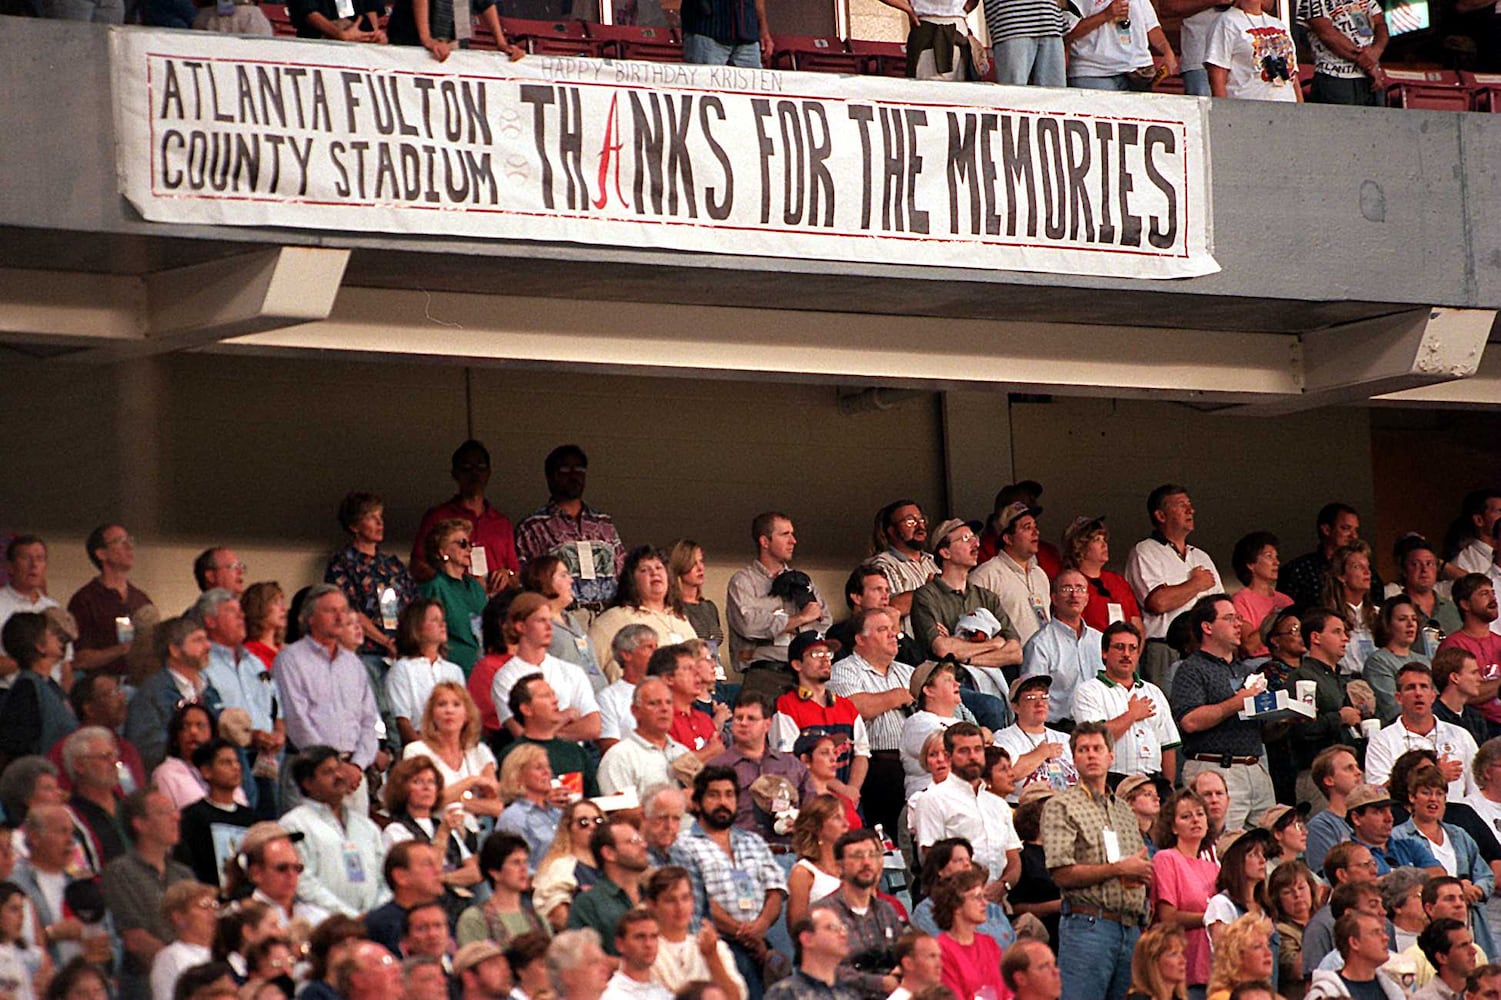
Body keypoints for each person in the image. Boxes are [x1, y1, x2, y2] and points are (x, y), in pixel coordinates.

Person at [1042, 720, 1151, 1000]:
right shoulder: (1061, 805)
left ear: (1110, 756)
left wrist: (1142, 873)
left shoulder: (1125, 810)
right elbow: (1061, 873)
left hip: (1130, 925)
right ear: (1074, 758)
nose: (1091, 755)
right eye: (1083, 750)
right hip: (1088, 924)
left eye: (1097, 748)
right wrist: (1119, 869)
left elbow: (1137, 863)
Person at [669, 767, 788, 1000]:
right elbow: (695, 899)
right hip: (716, 943)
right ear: (697, 802)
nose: (723, 802)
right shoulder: (683, 846)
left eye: (729, 795)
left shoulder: (753, 841)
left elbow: (776, 889)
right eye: (714, 795)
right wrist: (743, 933)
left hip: (761, 941)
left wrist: (761, 926)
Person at [273, 586, 382, 814]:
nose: (340, 617)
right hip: (311, 772)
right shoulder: (291, 659)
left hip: (353, 776)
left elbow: (368, 721)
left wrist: (356, 765)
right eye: (331, 610)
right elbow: (297, 721)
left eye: (343, 610)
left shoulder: (353, 663)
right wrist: (333, 766)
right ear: (310, 617)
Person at [1172, 595, 1276, 832]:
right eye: (1229, 618)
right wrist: (1238, 702)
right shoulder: (1191, 669)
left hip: (1256, 767)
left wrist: (1285, 719)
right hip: (1215, 770)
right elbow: (1190, 721)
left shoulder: (1246, 670)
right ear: (1207, 627)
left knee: (1267, 848)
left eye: (1238, 618)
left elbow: (1261, 730)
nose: (1239, 624)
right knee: (1223, 847)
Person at [910, 518, 1022, 702]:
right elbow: (942, 649)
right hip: (948, 685)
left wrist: (964, 656)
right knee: (992, 706)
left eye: (975, 537)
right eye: (965, 538)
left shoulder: (987, 596)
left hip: (991, 679)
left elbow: (1015, 653)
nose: (975, 543)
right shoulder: (926, 595)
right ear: (945, 552)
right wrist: (994, 644)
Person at [726, 513, 831, 700]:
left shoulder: (802, 581)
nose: (793, 541)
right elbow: (748, 625)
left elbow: (824, 623)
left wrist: (780, 625)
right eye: (785, 534)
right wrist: (801, 619)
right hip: (763, 676)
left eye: (792, 534)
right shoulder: (743, 581)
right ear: (765, 541)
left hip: (802, 676)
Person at [1393, 765, 1495, 956]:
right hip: (1424, 929)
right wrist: (1456, 888)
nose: (1434, 799)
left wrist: (1477, 890)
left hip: (1468, 924)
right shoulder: (1399, 837)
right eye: (1426, 793)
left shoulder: (1458, 834)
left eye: (1439, 794)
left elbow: (1486, 875)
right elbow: (1405, 886)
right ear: (1412, 797)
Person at [826, 607, 910, 837]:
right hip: (877, 765)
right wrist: (895, 697)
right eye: (883, 629)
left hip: (918, 763)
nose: (893, 634)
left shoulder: (909, 672)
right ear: (860, 639)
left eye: (893, 629)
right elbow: (852, 708)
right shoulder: (843, 671)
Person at [102, 789, 194, 997]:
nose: (176, 817)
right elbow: (134, 938)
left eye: (175, 811)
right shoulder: (121, 872)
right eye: (164, 812)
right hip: (145, 982)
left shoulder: (183, 874)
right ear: (140, 824)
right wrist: (180, 965)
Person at [515, 444, 627, 612]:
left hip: (607, 615)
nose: (574, 476)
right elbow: (528, 582)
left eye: (579, 470)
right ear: (550, 477)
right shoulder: (533, 527)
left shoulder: (603, 523)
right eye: (565, 470)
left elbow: (623, 571)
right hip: (563, 617)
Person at [279, 746, 389, 916]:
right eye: (328, 772)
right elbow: (302, 882)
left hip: (371, 924)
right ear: (307, 783)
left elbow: (384, 877)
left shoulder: (366, 826)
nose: (339, 776)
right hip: (321, 922)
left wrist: (375, 916)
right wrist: (349, 915)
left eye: (339, 768)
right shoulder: (294, 824)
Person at [1124, 486, 1221, 672]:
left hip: (1205, 649)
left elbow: (1219, 606)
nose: (1190, 510)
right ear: (1161, 516)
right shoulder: (1145, 550)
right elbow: (1158, 602)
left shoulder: (1201, 557)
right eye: (1181, 505)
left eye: (1190, 505)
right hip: (1165, 649)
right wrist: (1196, 584)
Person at [913, 723, 1022, 887]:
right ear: (949, 757)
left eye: (978, 749)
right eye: (964, 751)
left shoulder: (998, 804)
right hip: (954, 899)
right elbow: (933, 859)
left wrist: (1003, 887)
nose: (973, 756)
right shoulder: (932, 799)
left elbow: (1013, 859)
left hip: (999, 899)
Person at [1073, 620, 1180, 782]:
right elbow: (1095, 738)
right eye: (1119, 647)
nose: (1126, 654)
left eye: (1132, 648)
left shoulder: (1154, 692)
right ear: (1104, 653)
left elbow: (1168, 746)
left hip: (1152, 781)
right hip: (1110, 780)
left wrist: (1169, 788)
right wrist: (1132, 714)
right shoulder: (1088, 691)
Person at [410, 440, 521, 592]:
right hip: (456, 602)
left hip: (496, 604)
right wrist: (454, 580)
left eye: (480, 467)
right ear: (455, 474)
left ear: (489, 473)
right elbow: (418, 565)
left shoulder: (502, 522)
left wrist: (507, 574)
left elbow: (516, 573)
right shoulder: (438, 516)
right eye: (466, 468)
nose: (474, 474)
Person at [490, 593, 602, 742]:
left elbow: (593, 727)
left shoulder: (571, 671)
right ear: (521, 626)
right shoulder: (505, 677)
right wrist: (565, 716)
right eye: (541, 620)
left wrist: (544, 732)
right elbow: (521, 734)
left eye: (550, 620)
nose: (549, 627)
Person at [710, 691, 814, 850]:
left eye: (751, 718)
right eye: (738, 718)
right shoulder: (717, 767)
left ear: (767, 724)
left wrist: (801, 822)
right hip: (739, 854)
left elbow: (814, 807)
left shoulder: (791, 765)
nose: (743, 723)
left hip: (788, 853)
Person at [808, 828, 902, 1000]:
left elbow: (906, 951)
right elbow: (825, 970)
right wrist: (881, 983)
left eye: (872, 855)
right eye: (857, 856)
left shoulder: (887, 910)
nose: (867, 862)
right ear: (839, 867)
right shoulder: (822, 913)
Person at [324, 491, 416, 666]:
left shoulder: (392, 564)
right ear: (354, 526)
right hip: (366, 653)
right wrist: (386, 642)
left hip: (402, 652)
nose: (380, 523)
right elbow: (350, 611)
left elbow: (413, 604)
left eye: (380, 517)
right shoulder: (343, 563)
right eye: (371, 517)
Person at [380, 757, 482, 911]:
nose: (427, 787)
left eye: (431, 782)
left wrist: (442, 878)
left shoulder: (441, 824)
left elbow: (474, 873)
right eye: (418, 782)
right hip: (421, 908)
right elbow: (422, 873)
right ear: (403, 789)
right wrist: (442, 834)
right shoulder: (396, 831)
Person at [126, 616, 224, 775]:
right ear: (175, 650)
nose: (208, 646)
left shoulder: (208, 690)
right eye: (198, 640)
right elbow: (149, 750)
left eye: (206, 639)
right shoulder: (151, 693)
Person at [771, 634, 868, 794]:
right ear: (797, 665)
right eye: (816, 654)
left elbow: (862, 753)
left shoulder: (846, 706)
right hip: (810, 801)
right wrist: (841, 789)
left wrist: (852, 791)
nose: (825, 660)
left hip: (849, 800)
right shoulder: (786, 705)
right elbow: (789, 761)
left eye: (828, 654)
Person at [1367, 663, 1478, 800]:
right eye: (1410, 688)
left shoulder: (1461, 736)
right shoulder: (1382, 740)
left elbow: (1477, 790)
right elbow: (1377, 793)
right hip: (1405, 816)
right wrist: (1434, 775)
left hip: (1457, 815)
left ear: (1433, 696)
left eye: (1424, 687)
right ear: (1398, 698)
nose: (1418, 693)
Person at [591, 547, 697, 684]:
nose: (654, 573)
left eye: (659, 568)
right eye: (644, 570)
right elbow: (588, 667)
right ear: (632, 580)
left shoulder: (680, 618)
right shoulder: (614, 618)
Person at [406, 681, 504, 827]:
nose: (449, 711)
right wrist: (471, 781)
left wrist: (453, 800)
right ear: (432, 714)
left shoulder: (479, 752)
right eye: (441, 705)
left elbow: (497, 807)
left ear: (467, 715)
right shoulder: (417, 751)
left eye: (456, 704)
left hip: (477, 832)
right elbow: (426, 799)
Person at [1151, 789, 1218, 998]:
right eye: (1186, 816)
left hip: (1213, 972)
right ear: (1173, 827)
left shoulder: (1214, 868)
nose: (1195, 820)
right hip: (1182, 970)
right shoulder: (1166, 859)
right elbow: (1168, 918)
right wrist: (1212, 919)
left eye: (1200, 814)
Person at [644, 865, 747, 1000]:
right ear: (653, 905)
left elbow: (736, 997)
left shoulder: (715, 947)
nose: (680, 907)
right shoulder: (646, 949)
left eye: (685, 898)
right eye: (670, 900)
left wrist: (712, 957)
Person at [66, 523, 155, 678]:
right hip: (101, 686)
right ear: (101, 553)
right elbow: (79, 658)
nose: (129, 546)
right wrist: (122, 649)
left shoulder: (140, 598)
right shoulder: (85, 599)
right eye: (120, 541)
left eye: (129, 540)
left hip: (139, 683)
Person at [1022, 568, 1106, 724]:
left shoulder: (1100, 640)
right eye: (1066, 589)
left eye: (1080, 589)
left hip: (1102, 728)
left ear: (1087, 598)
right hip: (1059, 730)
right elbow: (1032, 699)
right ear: (1054, 598)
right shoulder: (1040, 644)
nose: (1074, 594)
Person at [174, 738, 256, 888]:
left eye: (236, 762)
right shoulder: (192, 817)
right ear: (206, 771)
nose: (236, 767)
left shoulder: (251, 818)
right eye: (226, 762)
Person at [385, 598, 466, 748]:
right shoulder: (403, 669)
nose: (443, 625)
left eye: (442, 620)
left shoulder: (454, 671)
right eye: (434, 620)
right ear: (416, 627)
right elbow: (402, 722)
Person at [971, 500, 1053, 648]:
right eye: (1027, 528)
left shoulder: (1040, 574)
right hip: (1010, 664)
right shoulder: (985, 576)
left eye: (1035, 527)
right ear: (1007, 538)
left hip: (1046, 661)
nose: (1036, 532)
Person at [521, 555, 606, 694]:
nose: (571, 580)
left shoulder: (571, 620)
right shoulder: (536, 626)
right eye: (563, 575)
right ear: (544, 580)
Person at [503, 673, 599, 796]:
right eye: (545, 696)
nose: (555, 700)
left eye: (553, 694)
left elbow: (594, 799)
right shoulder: (513, 755)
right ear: (526, 709)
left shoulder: (576, 752)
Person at [899, 660, 985, 798]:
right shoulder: (918, 723)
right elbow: (949, 748)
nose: (957, 684)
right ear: (928, 690)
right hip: (927, 802)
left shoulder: (960, 723)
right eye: (948, 680)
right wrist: (982, 736)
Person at [598, 677, 693, 801]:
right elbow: (619, 812)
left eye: (669, 702)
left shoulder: (682, 751)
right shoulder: (619, 757)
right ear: (635, 711)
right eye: (654, 703)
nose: (664, 709)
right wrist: (677, 802)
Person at [416, 519, 491, 675]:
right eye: (462, 544)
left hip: (481, 669)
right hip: (449, 670)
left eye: (470, 544)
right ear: (443, 552)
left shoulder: (476, 587)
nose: (469, 549)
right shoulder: (435, 586)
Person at [0, 613, 77, 761]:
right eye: (52, 633)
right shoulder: (27, 690)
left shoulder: (49, 684)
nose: (59, 638)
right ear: (40, 646)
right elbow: (19, 747)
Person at [569, 818, 652, 955]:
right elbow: (583, 959)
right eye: (633, 841)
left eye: (641, 840)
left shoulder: (651, 896)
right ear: (609, 853)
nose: (643, 845)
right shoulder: (589, 904)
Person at [457, 831, 546, 948]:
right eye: (516, 862)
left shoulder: (538, 919)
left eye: (525, 862)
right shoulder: (474, 919)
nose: (524, 869)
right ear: (495, 872)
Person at [993, 675, 1077, 797]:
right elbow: (1008, 774)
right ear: (1015, 706)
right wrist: (1042, 753)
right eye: (1031, 698)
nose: (1040, 703)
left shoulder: (1065, 739)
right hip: (1024, 808)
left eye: (1044, 697)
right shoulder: (1003, 738)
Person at [931, 865, 1006, 1000]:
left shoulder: (989, 943)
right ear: (956, 906)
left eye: (984, 897)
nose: (985, 903)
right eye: (977, 898)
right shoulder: (941, 950)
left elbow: (1006, 990)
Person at [1281, 506, 1375, 613]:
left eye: (1356, 530)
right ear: (1326, 530)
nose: (1354, 536)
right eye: (1345, 528)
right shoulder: (1298, 570)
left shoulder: (1370, 574)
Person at [1204, 0, 1302, 100]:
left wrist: (1301, 109)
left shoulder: (1278, 24)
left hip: (1287, 106)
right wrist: (1223, 111)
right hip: (1246, 106)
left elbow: (1293, 74)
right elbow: (1217, 72)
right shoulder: (1226, 22)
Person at [1064, 516, 1145, 637]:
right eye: (1097, 540)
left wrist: (1133, 653)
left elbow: (1137, 625)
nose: (1104, 545)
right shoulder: (1070, 583)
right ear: (1080, 546)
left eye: (1104, 540)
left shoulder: (1118, 581)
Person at [533, 797, 606, 931]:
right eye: (583, 822)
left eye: (598, 821)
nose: (592, 826)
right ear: (569, 828)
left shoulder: (612, 864)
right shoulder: (560, 866)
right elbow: (559, 917)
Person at [866, 500, 939, 629]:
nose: (919, 526)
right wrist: (929, 591)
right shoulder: (882, 565)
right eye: (910, 521)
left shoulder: (932, 562)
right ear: (892, 531)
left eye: (921, 520)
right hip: (906, 645)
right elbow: (889, 607)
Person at [1299, 0, 1388, 105]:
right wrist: (1369, 64)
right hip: (1335, 79)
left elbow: (1380, 24)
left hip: (1371, 80)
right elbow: (1327, 34)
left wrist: (1376, 51)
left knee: (1376, 120)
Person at [495, 743, 567, 870]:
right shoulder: (513, 817)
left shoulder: (558, 812)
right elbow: (513, 866)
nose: (547, 772)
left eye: (548, 767)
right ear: (518, 775)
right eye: (539, 768)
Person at [765, 908, 860, 1000]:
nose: (843, 934)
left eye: (843, 929)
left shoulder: (849, 994)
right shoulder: (785, 993)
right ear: (807, 939)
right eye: (832, 928)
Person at [1306, 911, 1405, 998]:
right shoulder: (1326, 993)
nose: (1386, 938)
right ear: (1354, 942)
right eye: (1376, 933)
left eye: (1383, 931)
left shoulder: (1393, 991)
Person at [784, 795, 847, 931]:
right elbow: (797, 928)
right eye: (837, 818)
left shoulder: (849, 868)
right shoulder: (803, 872)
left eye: (844, 817)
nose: (846, 824)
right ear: (817, 827)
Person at [152, 703, 231, 812]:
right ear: (176, 736)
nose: (193, 731)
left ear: (212, 734)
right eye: (185, 726)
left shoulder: (224, 771)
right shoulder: (166, 774)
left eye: (200, 726)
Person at [1365, 597, 1432, 724]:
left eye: (1414, 619)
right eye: (1402, 619)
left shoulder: (1424, 660)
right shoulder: (1378, 661)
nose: (1410, 624)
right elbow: (1392, 706)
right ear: (1387, 625)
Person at [149, 881, 218, 1000]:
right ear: (179, 917)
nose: (213, 912)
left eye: (214, 905)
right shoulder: (170, 958)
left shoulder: (224, 951)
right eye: (204, 906)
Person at [1204, 828, 1273, 945]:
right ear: (1236, 862)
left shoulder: (1264, 906)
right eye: (1253, 855)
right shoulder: (1221, 904)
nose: (1262, 861)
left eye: (1263, 854)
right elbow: (1223, 951)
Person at [669, 540, 729, 676]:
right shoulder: (674, 608)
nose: (700, 568)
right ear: (681, 566)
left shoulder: (709, 607)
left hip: (715, 672)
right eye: (693, 564)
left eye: (701, 562)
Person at [1231, 533, 1295, 659]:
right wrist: (1275, 619)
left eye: (1276, 557)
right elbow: (1249, 646)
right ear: (1251, 564)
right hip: (1259, 663)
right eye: (1269, 556)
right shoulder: (1241, 600)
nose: (1276, 562)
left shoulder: (1285, 600)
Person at [1319, 543, 1380, 675]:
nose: (1367, 572)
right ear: (1341, 576)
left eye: (1368, 567)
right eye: (1358, 567)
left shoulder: (1379, 615)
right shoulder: (1326, 618)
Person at [599, 625, 659, 753]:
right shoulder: (608, 697)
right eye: (648, 647)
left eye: (656, 647)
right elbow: (611, 749)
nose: (656, 653)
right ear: (626, 655)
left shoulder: (666, 692)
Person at [1307, 745, 1365, 872]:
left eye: (1357, 766)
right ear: (1329, 780)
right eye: (1349, 768)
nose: (1359, 772)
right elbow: (1327, 876)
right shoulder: (1321, 827)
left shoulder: (1370, 818)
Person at [1269, 860, 1320, 995]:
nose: (1297, 895)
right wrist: (1318, 930)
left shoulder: (1327, 920)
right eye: (1287, 892)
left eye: (1301, 888)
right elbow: (1299, 970)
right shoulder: (1279, 931)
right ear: (1277, 900)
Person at [602, 908, 670, 1000]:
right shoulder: (609, 995)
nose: (648, 944)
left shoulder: (665, 995)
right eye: (640, 937)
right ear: (620, 944)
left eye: (654, 937)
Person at [1205, 914, 1277, 1000]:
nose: (1268, 953)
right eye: (1257, 947)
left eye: (1268, 945)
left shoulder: (1271, 996)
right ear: (1236, 955)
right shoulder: (1222, 998)